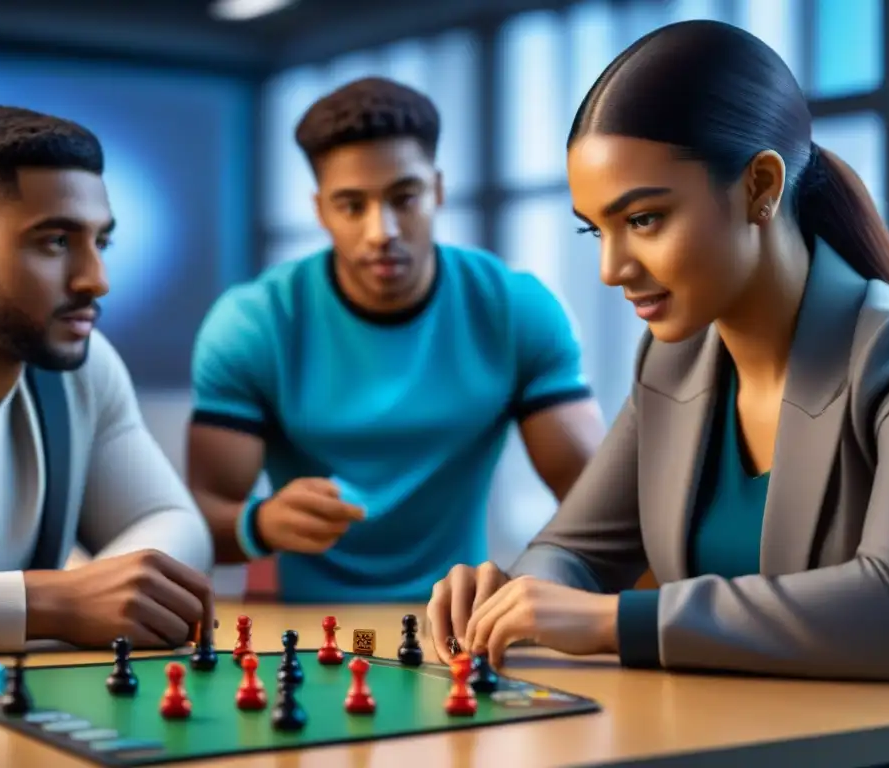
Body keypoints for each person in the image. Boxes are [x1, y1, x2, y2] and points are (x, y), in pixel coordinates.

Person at [426, 20, 889, 681]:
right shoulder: (669, 363)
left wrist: (614, 621)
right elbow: (575, 553)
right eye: (598, 231)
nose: (612, 268)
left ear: (761, 187)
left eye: (643, 219)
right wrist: (511, 598)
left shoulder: (886, 352)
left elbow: (888, 604)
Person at [188, 77, 606, 603]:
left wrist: (577, 597)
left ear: (437, 190)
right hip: (307, 628)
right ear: (320, 210)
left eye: (404, 197)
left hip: (458, 624)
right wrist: (260, 523)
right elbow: (199, 517)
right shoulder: (253, 323)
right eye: (351, 205)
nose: (381, 229)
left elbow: (597, 505)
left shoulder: (515, 309)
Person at [0, 106, 216, 660]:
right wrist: (52, 605)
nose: (96, 280)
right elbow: (69, 603)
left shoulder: (84, 368)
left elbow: (171, 521)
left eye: (100, 243)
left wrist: (107, 596)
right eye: (56, 241)